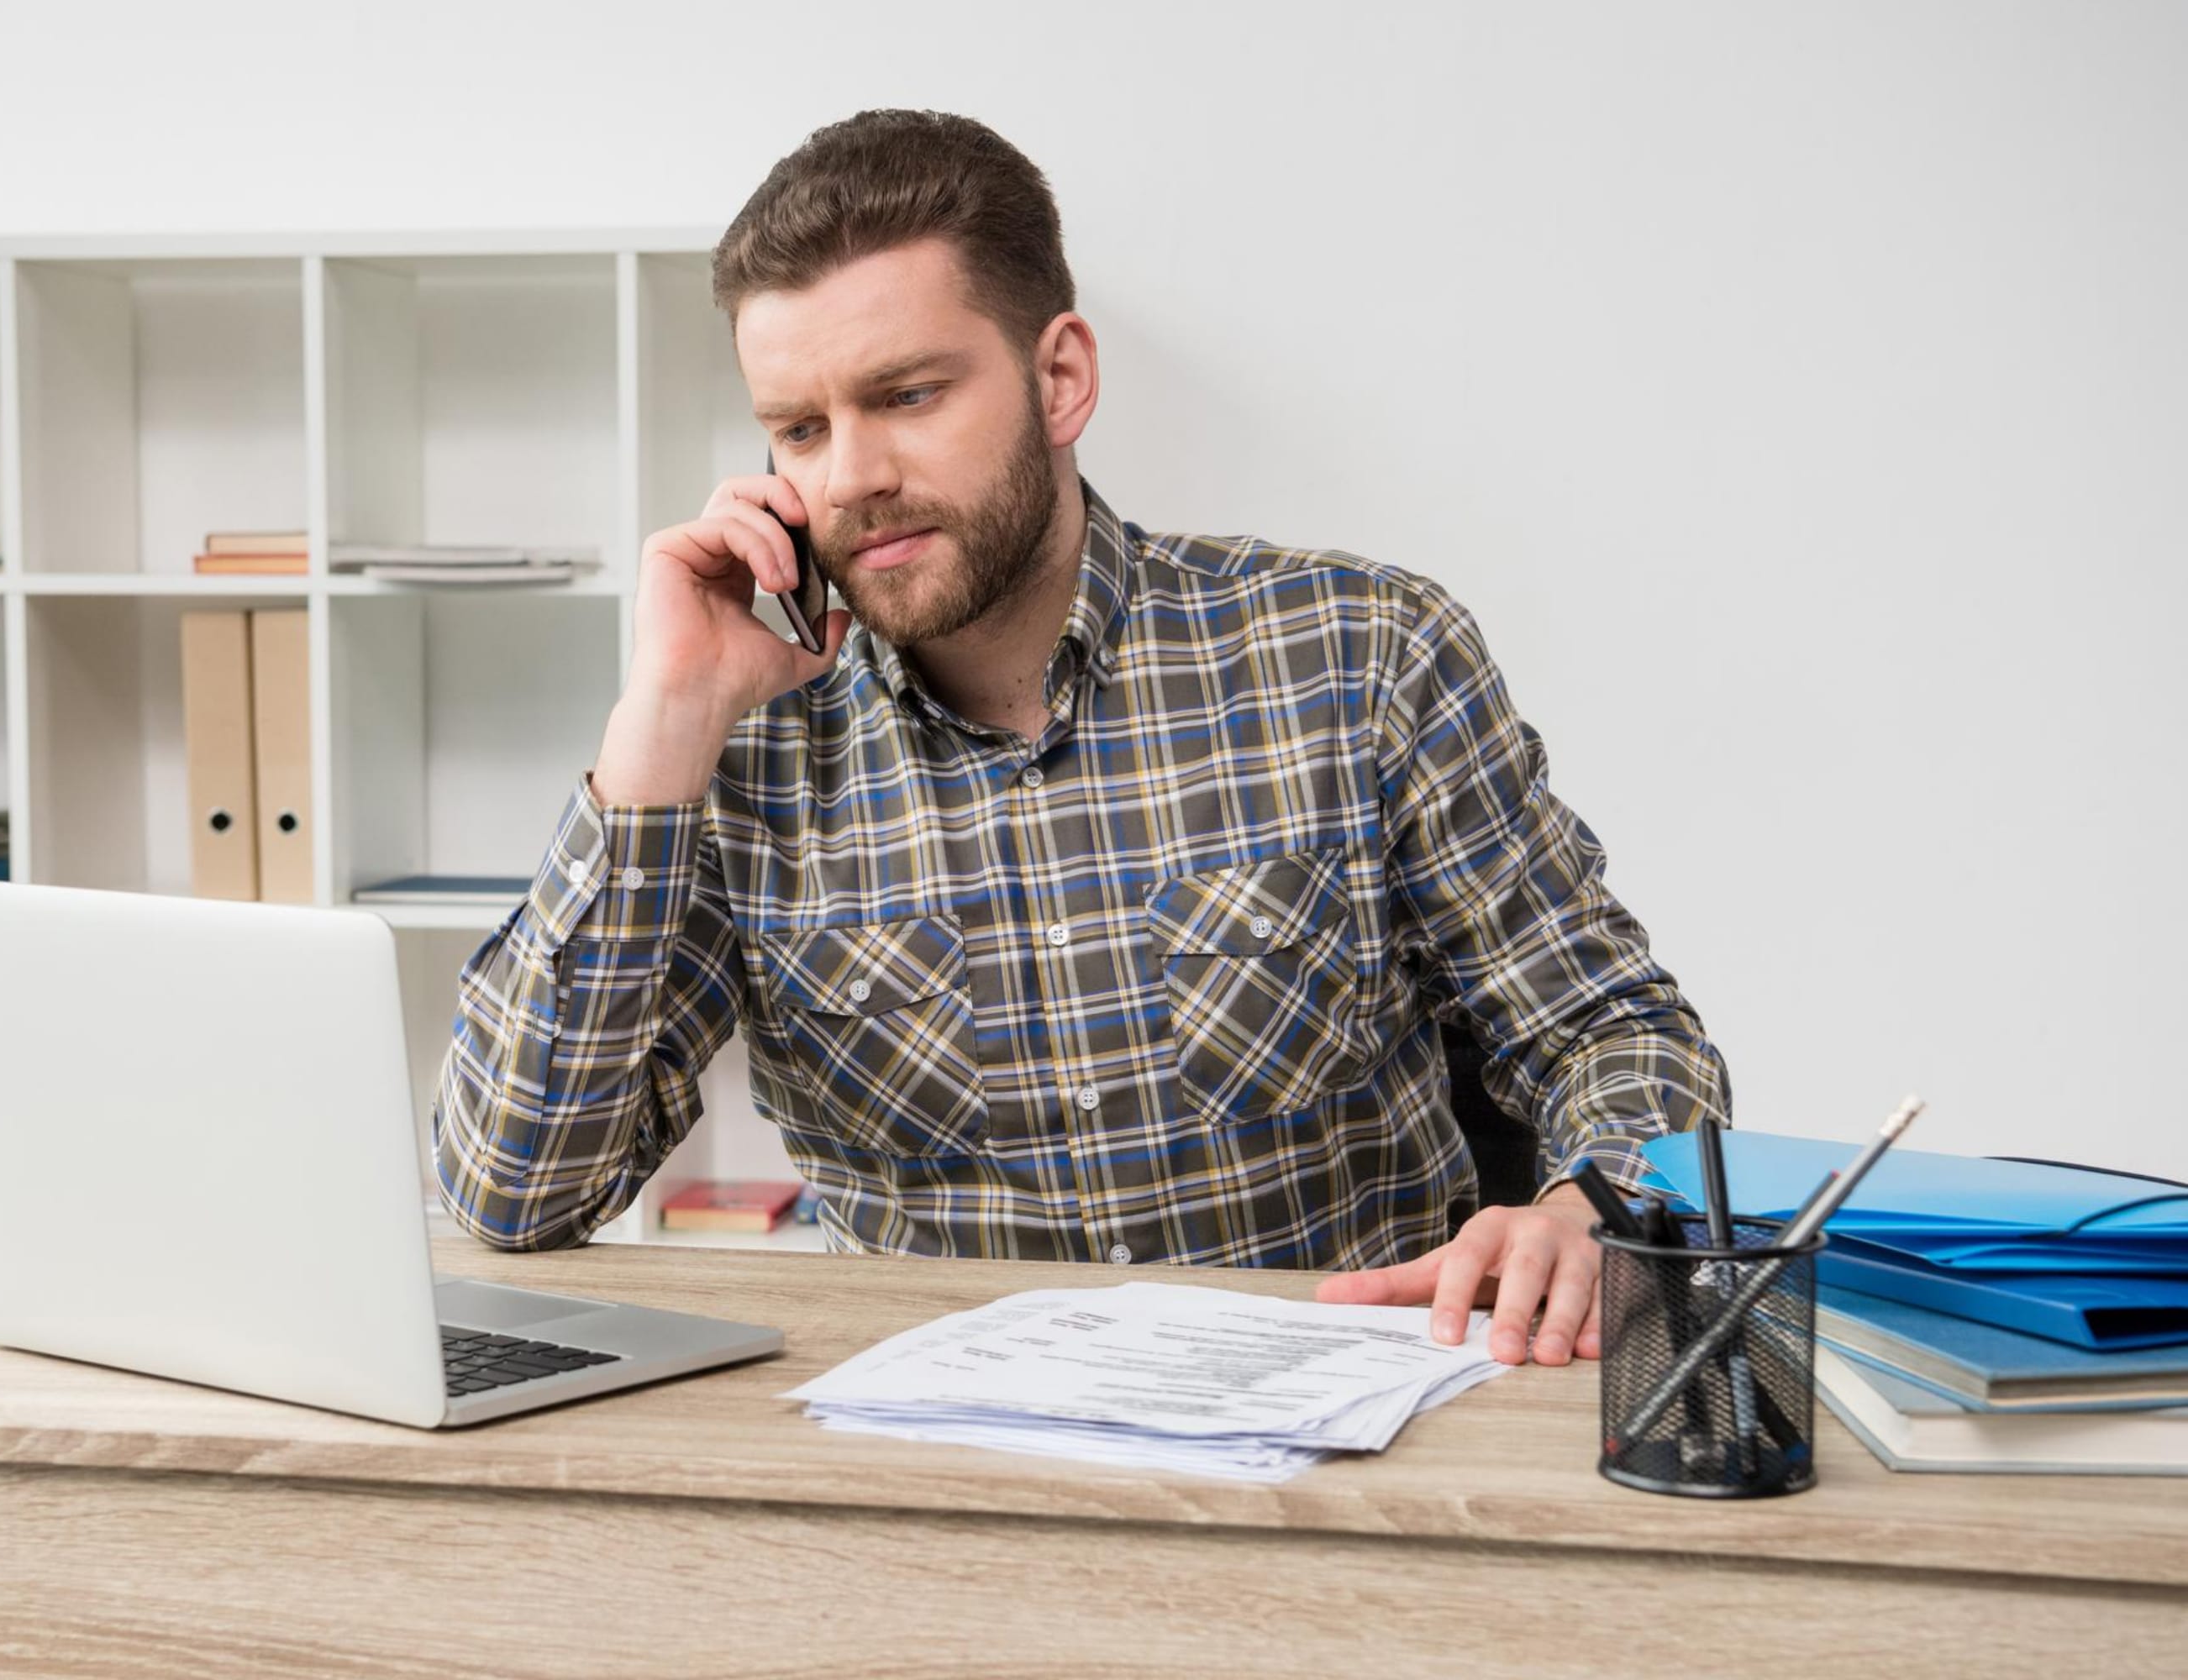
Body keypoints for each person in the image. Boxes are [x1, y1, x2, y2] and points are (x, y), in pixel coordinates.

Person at [434, 108, 1730, 1368]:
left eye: (907, 395)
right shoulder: (743, 756)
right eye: (801, 428)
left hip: (1346, 1458)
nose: (849, 477)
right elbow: (510, 1192)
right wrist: (660, 728)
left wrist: (1581, 1213)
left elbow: (1613, 1031)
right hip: (952, 1492)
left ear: (1061, 377)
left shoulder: (1359, 651)